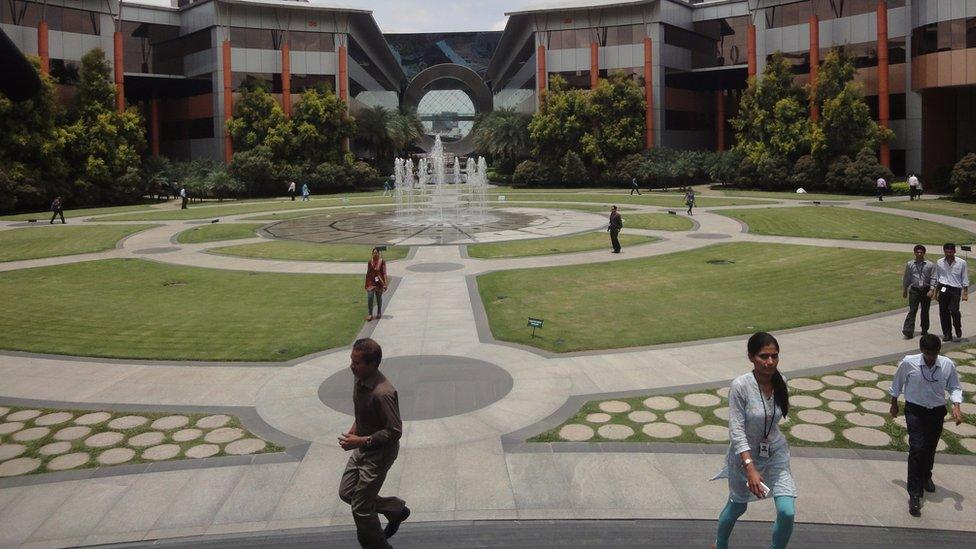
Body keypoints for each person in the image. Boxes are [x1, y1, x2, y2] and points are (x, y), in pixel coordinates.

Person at [711, 332, 795, 549]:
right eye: (763, 356)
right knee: (738, 507)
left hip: (775, 453)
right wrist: (750, 468)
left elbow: (774, 419)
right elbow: (736, 430)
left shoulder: (781, 381)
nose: (770, 362)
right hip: (744, 457)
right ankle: (720, 545)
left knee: (787, 511)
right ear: (751, 357)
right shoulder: (741, 386)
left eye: (774, 356)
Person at [338, 338, 410, 548]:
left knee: (361, 508)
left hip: (379, 455)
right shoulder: (359, 378)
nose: (352, 366)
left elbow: (395, 431)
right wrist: (355, 428)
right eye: (352, 360)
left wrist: (359, 440)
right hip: (362, 446)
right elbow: (364, 411)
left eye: (357, 362)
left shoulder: (383, 393)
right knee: (347, 493)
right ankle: (395, 509)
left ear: (372, 364)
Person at [889, 334, 964, 517]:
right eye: (928, 354)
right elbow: (897, 383)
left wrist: (956, 407)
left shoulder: (947, 364)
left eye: (935, 354)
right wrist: (894, 403)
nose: (931, 357)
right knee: (917, 447)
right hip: (915, 410)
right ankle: (914, 494)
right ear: (923, 351)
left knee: (930, 447)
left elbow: (954, 387)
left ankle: (926, 475)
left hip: (937, 411)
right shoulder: (909, 363)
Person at [930, 243, 969, 342]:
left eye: (950, 252)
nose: (948, 254)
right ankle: (947, 334)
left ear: (954, 251)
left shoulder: (961, 263)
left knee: (954, 310)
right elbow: (938, 277)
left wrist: (965, 293)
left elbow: (964, 277)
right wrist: (935, 292)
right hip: (943, 288)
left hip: (955, 289)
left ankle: (957, 326)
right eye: (946, 252)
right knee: (943, 312)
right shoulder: (939, 262)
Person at [902, 244, 935, 339]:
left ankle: (924, 330)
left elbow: (933, 277)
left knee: (925, 311)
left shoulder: (930, 264)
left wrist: (932, 290)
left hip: (926, 290)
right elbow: (907, 277)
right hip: (914, 290)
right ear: (914, 253)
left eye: (921, 252)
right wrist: (905, 289)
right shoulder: (910, 264)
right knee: (912, 310)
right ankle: (908, 330)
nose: (919, 254)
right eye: (917, 252)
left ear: (924, 253)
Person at [365, 247, 387, 321]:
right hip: (371, 282)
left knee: (378, 298)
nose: (375, 254)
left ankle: (379, 312)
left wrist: (385, 283)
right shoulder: (369, 262)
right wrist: (366, 284)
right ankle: (370, 314)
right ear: (372, 254)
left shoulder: (382, 262)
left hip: (379, 283)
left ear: (379, 253)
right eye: (374, 253)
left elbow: (384, 273)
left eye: (376, 253)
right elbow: (368, 273)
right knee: (370, 297)